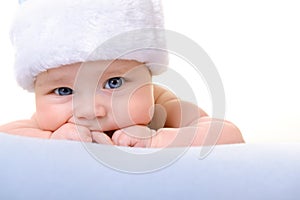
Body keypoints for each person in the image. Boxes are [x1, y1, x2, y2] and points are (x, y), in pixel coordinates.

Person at [0, 0, 244, 147]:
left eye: (113, 82)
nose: (91, 111)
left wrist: (157, 141)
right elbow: (6, 139)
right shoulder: (45, 125)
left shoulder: (162, 109)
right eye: (64, 91)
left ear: (148, 76)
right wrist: (51, 142)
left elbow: (228, 134)